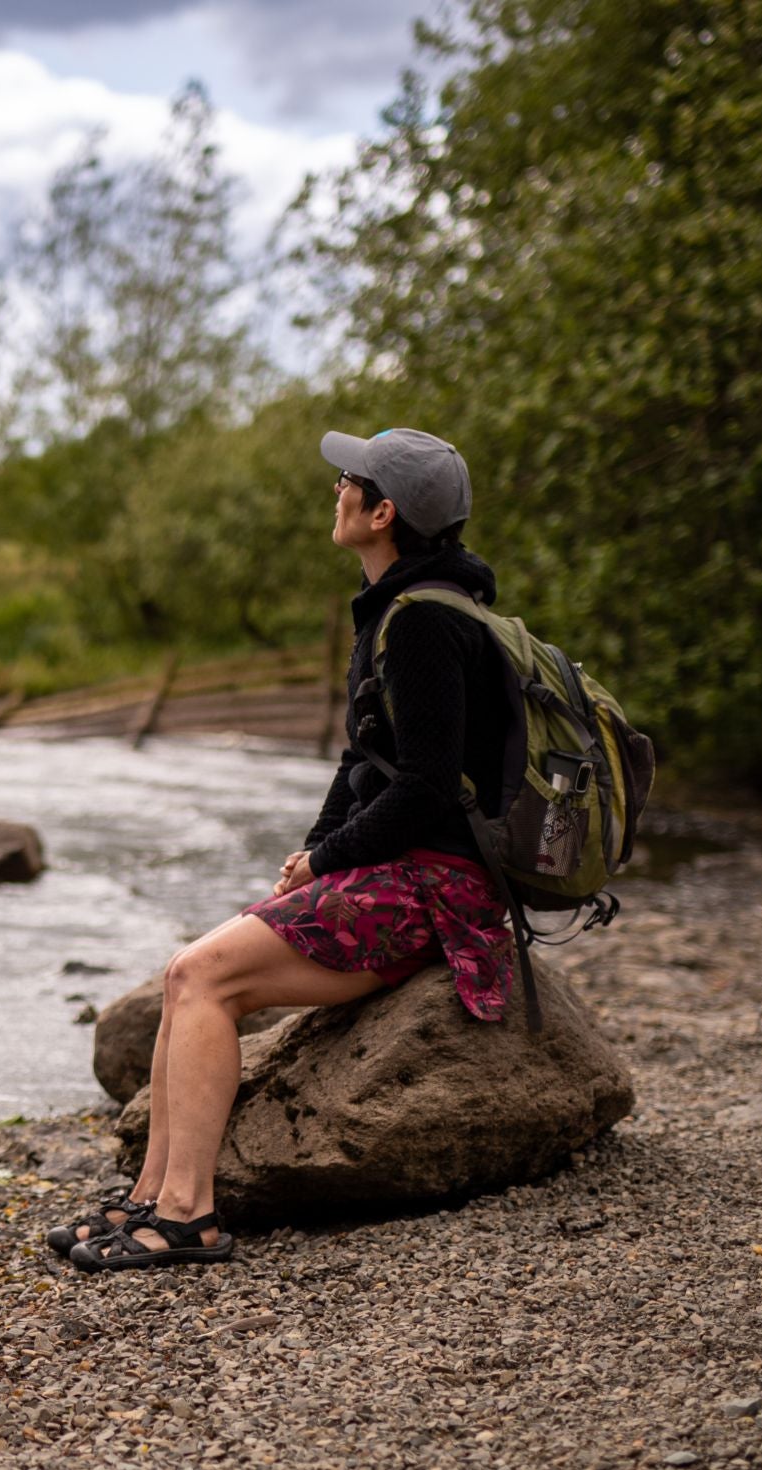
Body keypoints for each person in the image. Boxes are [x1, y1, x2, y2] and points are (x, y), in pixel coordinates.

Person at [57, 426, 517, 1272]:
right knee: (182, 972)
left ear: (382, 513)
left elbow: (423, 787)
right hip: (403, 871)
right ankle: (148, 1199)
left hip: (434, 891)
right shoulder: (399, 608)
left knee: (202, 976)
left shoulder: (422, 625)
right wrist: (314, 854)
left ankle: (189, 1216)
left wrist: (334, 858)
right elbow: (361, 763)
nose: (335, 488)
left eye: (351, 479)